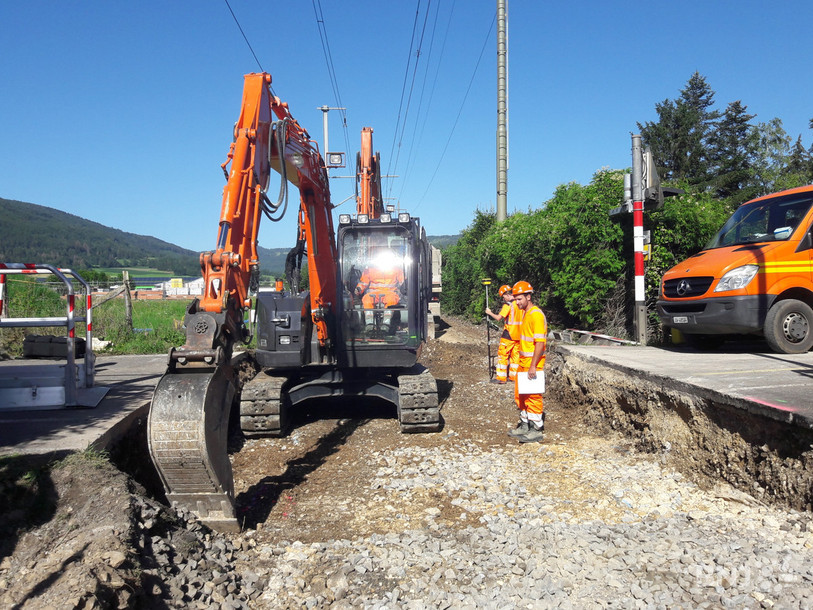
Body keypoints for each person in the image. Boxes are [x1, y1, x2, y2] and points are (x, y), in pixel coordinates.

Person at [508, 280, 547, 443]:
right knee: (521, 395)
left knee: (533, 396)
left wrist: (532, 366)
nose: (517, 302)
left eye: (519, 299)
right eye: (515, 299)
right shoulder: (526, 313)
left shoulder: (536, 315)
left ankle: (536, 428)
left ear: (528, 297)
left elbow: (540, 342)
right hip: (524, 362)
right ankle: (525, 424)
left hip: (533, 363)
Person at [355, 247, 404, 331]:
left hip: (390, 293)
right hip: (373, 293)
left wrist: (404, 289)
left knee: (391, 300)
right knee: (366, 299)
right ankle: (369, 324)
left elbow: (403, 282)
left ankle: (386, 323)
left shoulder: (397, 269)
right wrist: (359, 289)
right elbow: (363, 282)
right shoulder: (369, 270)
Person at [485, 284, 522, 384]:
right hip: (519, 335)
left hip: (508, 335)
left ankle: (501, 378)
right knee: (515, 357)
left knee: (503, 355)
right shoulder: (520, 304)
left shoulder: (508, 305)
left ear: (507, 294)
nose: (504, 299)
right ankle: (514, 377)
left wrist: (489, 313)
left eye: (503, 296)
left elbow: (498, 318)